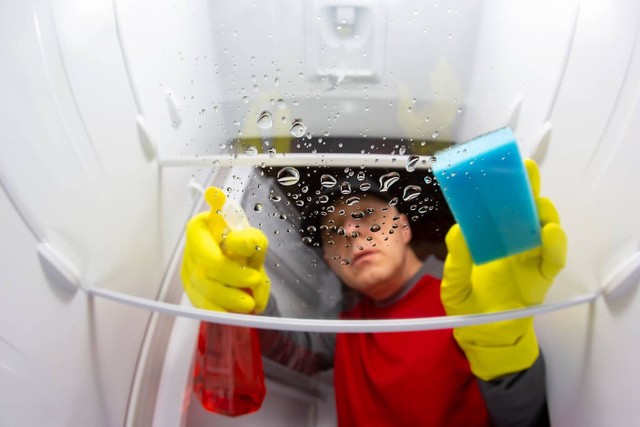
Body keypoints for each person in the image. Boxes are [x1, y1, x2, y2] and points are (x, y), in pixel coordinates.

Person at [181, 159, 567, 427]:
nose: (350, 232)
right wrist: (247, 297)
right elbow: (291, 353)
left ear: (403, 227)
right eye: (333, 232)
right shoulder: (346, 329)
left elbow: (523, 420)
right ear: (330, 261)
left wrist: (503, 351)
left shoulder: (466, 298)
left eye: (365, 216)